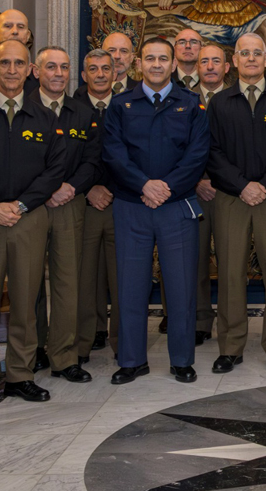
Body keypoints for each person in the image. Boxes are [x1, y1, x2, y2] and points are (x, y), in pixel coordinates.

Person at [104, 35, 210, 384]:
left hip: (176, 206)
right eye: (149, 59)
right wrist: (143, 185)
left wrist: (165, 188)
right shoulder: (121, 105)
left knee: (180, 287)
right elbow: (114, 154)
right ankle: (132, 361)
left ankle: (181, 359)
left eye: (163, 59)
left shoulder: (191, 104)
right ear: (138, 63)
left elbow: (197, 155)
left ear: (173, 63)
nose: (156, 65)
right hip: (132, 205)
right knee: (131, 287)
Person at [0, 40, 64, 405]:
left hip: (28, 218)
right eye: (4, 63)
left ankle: (21, 373)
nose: (11, 70)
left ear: (29, 71)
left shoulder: (45, 118)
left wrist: (21, 205)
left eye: (18, 63)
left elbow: (54, 171)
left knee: (26, 299)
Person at [206, 32, 266, 373]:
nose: (251, 59)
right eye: (244, 53)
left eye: (257, 53)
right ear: (235, 60)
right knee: (230, 272)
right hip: (232, 198)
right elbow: (212, 153)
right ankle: (230, 346)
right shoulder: (220, 103)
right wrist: (243, 186)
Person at [34, 45, 103, 384]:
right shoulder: (25, 108)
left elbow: (92, 160)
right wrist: (41, 191)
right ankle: (31, 350)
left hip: (70, 204)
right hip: (30, 206)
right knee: (28, 283)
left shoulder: (82, 112)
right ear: (37, 72)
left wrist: (71, 188)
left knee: (66, 283)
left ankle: (64, 355)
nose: (58, 74)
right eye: (51, 67)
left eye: (63, 67)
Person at [76, 50, 119, 364]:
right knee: (84, 276)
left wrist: (114, 189)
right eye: (94, 69)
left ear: (115, 73)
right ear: (84, 75)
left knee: (122, 277)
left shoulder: (126, 106)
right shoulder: (70, 108)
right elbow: (63, 158)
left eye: (106, 68)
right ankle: (85, 340)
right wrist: (88, 188)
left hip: (121, 202)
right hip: (84, 204)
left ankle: (123, 342)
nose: (101, 74)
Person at [189, 44, 230, 344]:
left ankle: (230, 324)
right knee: (196, 261)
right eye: (205, 61)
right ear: (197, 67)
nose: (211, 66)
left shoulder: (235, 99)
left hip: (229, 193)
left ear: (227, 67)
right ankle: (200, 321)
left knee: (231, 262)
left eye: (217, 61)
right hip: (194, 192)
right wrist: (195, 182)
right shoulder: (185, 101)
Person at [172, 27, 204, 92]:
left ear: (201, 49)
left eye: (194, 42)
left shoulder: (210, 80)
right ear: (174, 49)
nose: (188, 46)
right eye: (182, 42)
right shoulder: (165, 80)